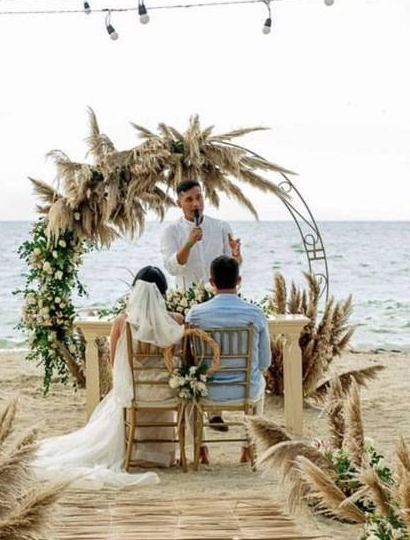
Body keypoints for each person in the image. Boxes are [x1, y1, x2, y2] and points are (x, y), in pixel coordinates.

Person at [31, 266, 185, 488]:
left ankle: (131, 449)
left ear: (135, 291)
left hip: (134, 393)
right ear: (162, 292)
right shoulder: (177, 320)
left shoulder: (122, 322)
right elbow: (181, 357)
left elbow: (116, 364)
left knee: (115, 404)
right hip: (165, 392)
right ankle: (160, 455)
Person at [185, 256, 271, 465]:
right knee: (261, 381)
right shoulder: (255, 314)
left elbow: (189, 361)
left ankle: (201, 448)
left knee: (187, 392)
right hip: (245, 391)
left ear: (212, 282)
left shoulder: (195, 314)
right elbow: (264, 362)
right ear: (239, 280)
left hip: (207, 391)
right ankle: (247, 448)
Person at [160, 179, 242, 289]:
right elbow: (172, 269)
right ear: (179, 203)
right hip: (187, 299)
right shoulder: (170, 231)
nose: (196, 204)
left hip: (217, 295)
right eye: (189, 200)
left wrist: (236, 255)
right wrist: (189, 243)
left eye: (199, 197)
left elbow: (233, 267)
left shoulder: (221, 227)